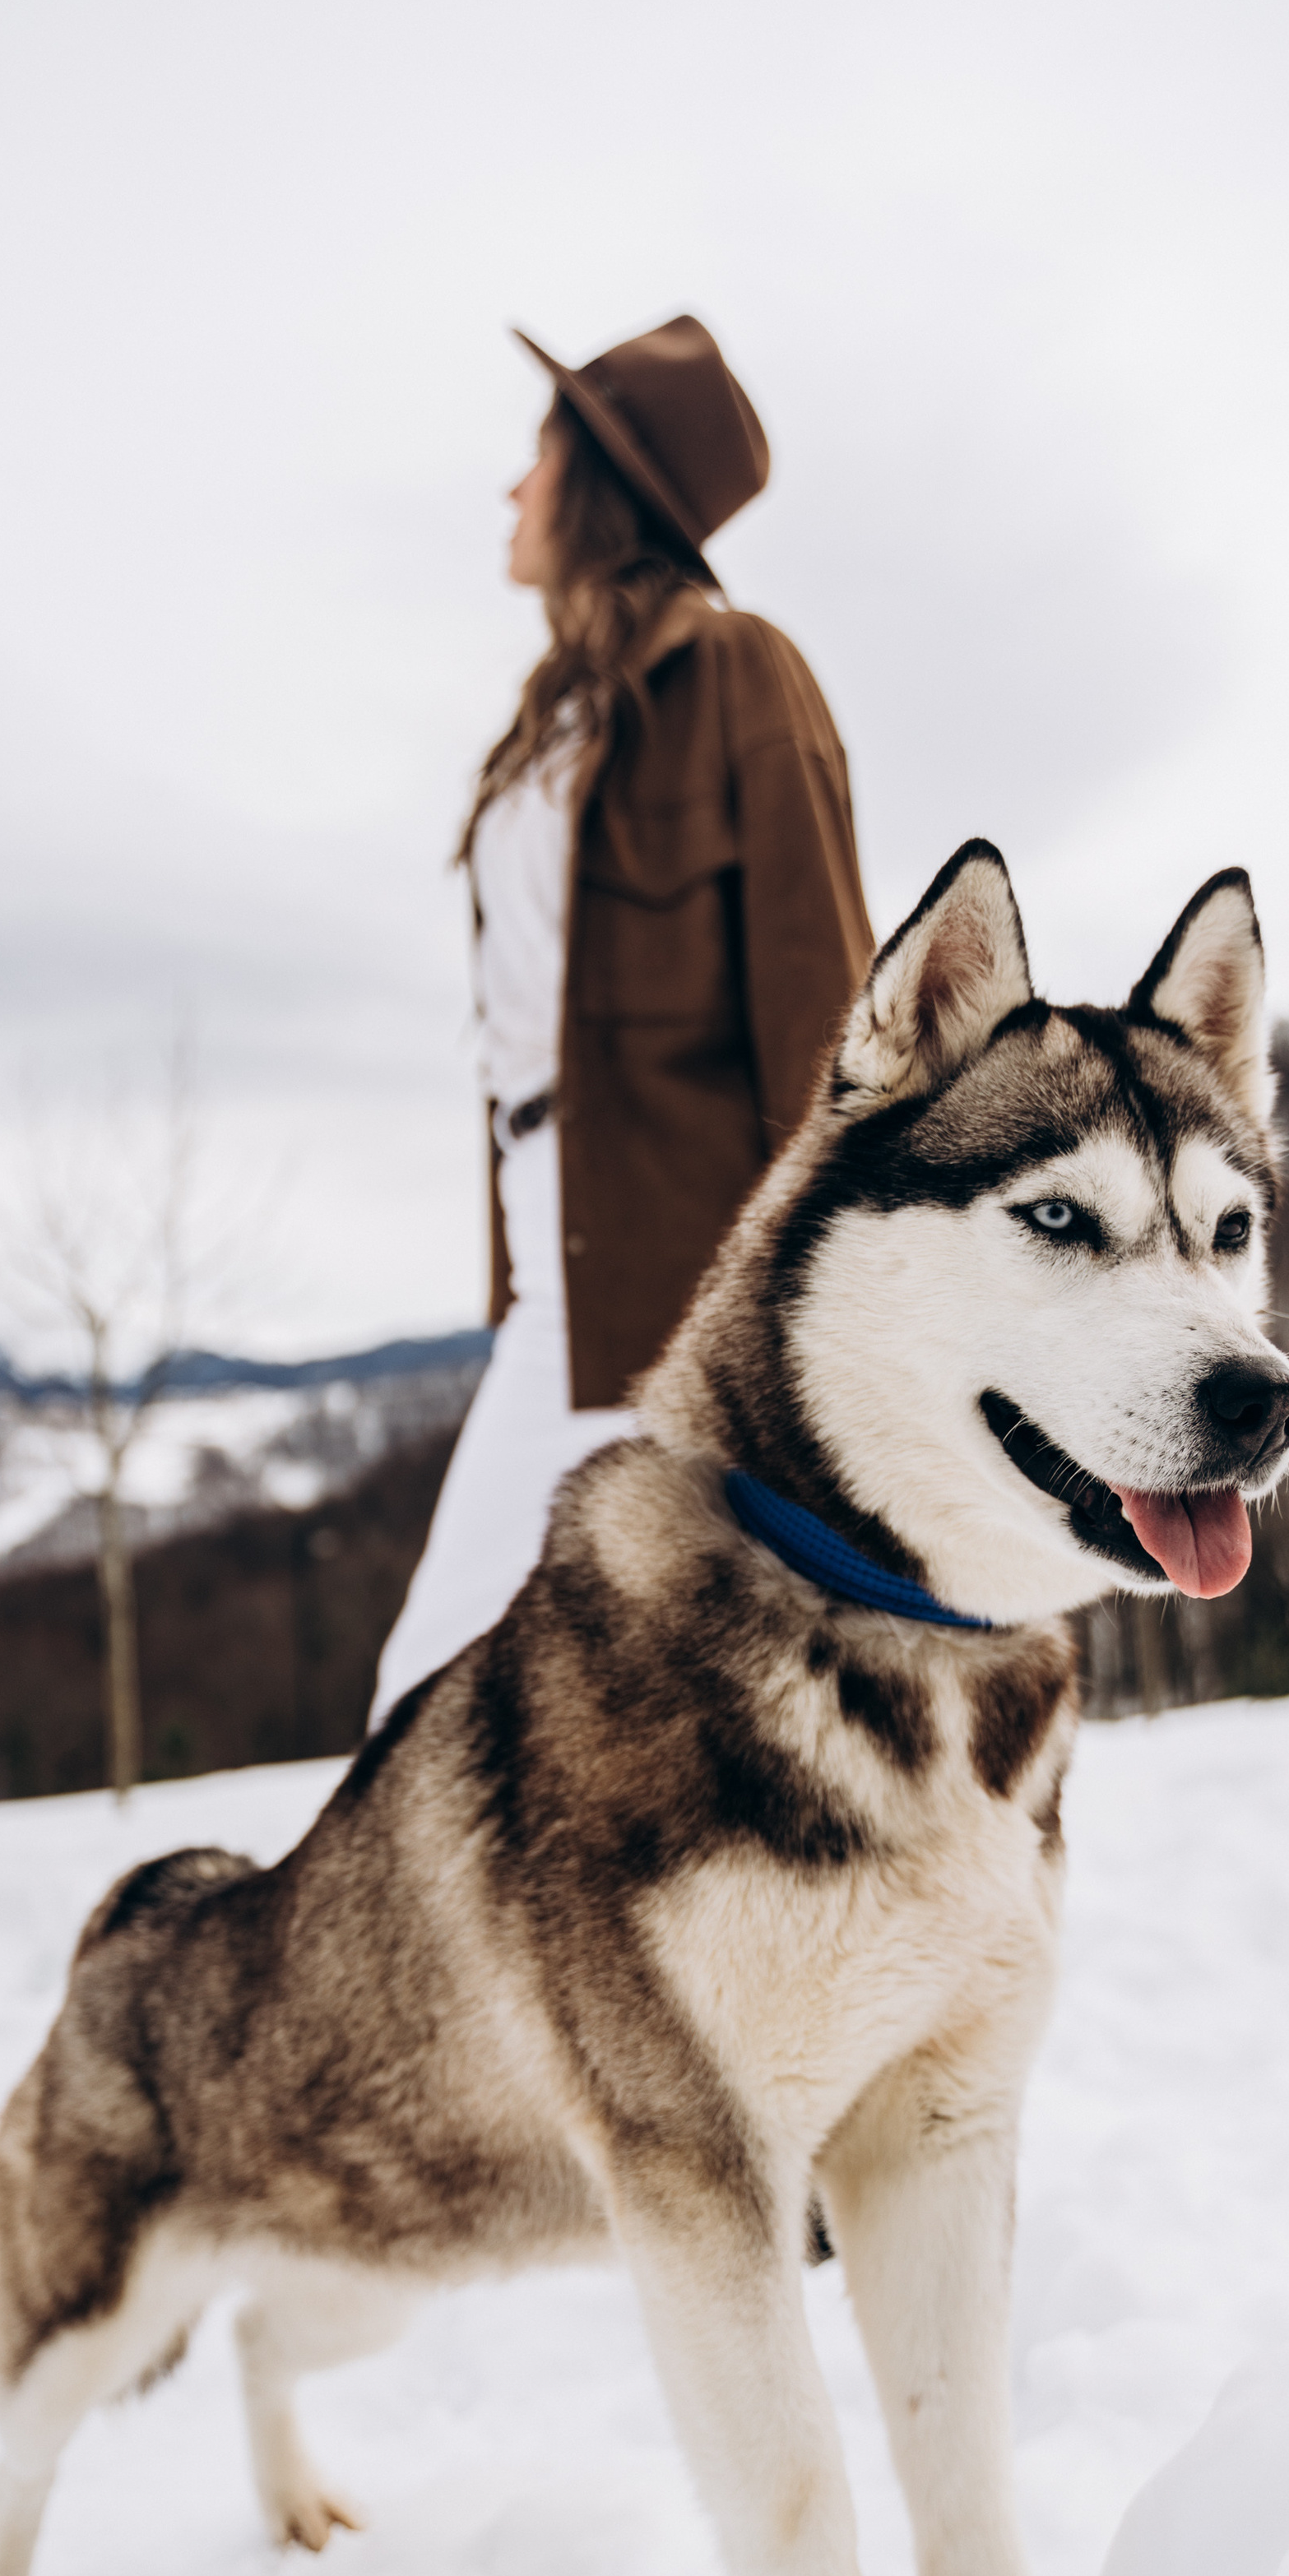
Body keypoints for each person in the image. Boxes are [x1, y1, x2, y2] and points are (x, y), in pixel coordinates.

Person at [369, 313, 874, 1722]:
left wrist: (809, 1308)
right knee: (479, 1704)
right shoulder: (552, 725)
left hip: (689, 1286)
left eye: (536, 458)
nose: (511, 490)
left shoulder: (736, 679)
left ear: (596, 489)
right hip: (559, 1268)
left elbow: (827, 1013)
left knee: (440, 1692)